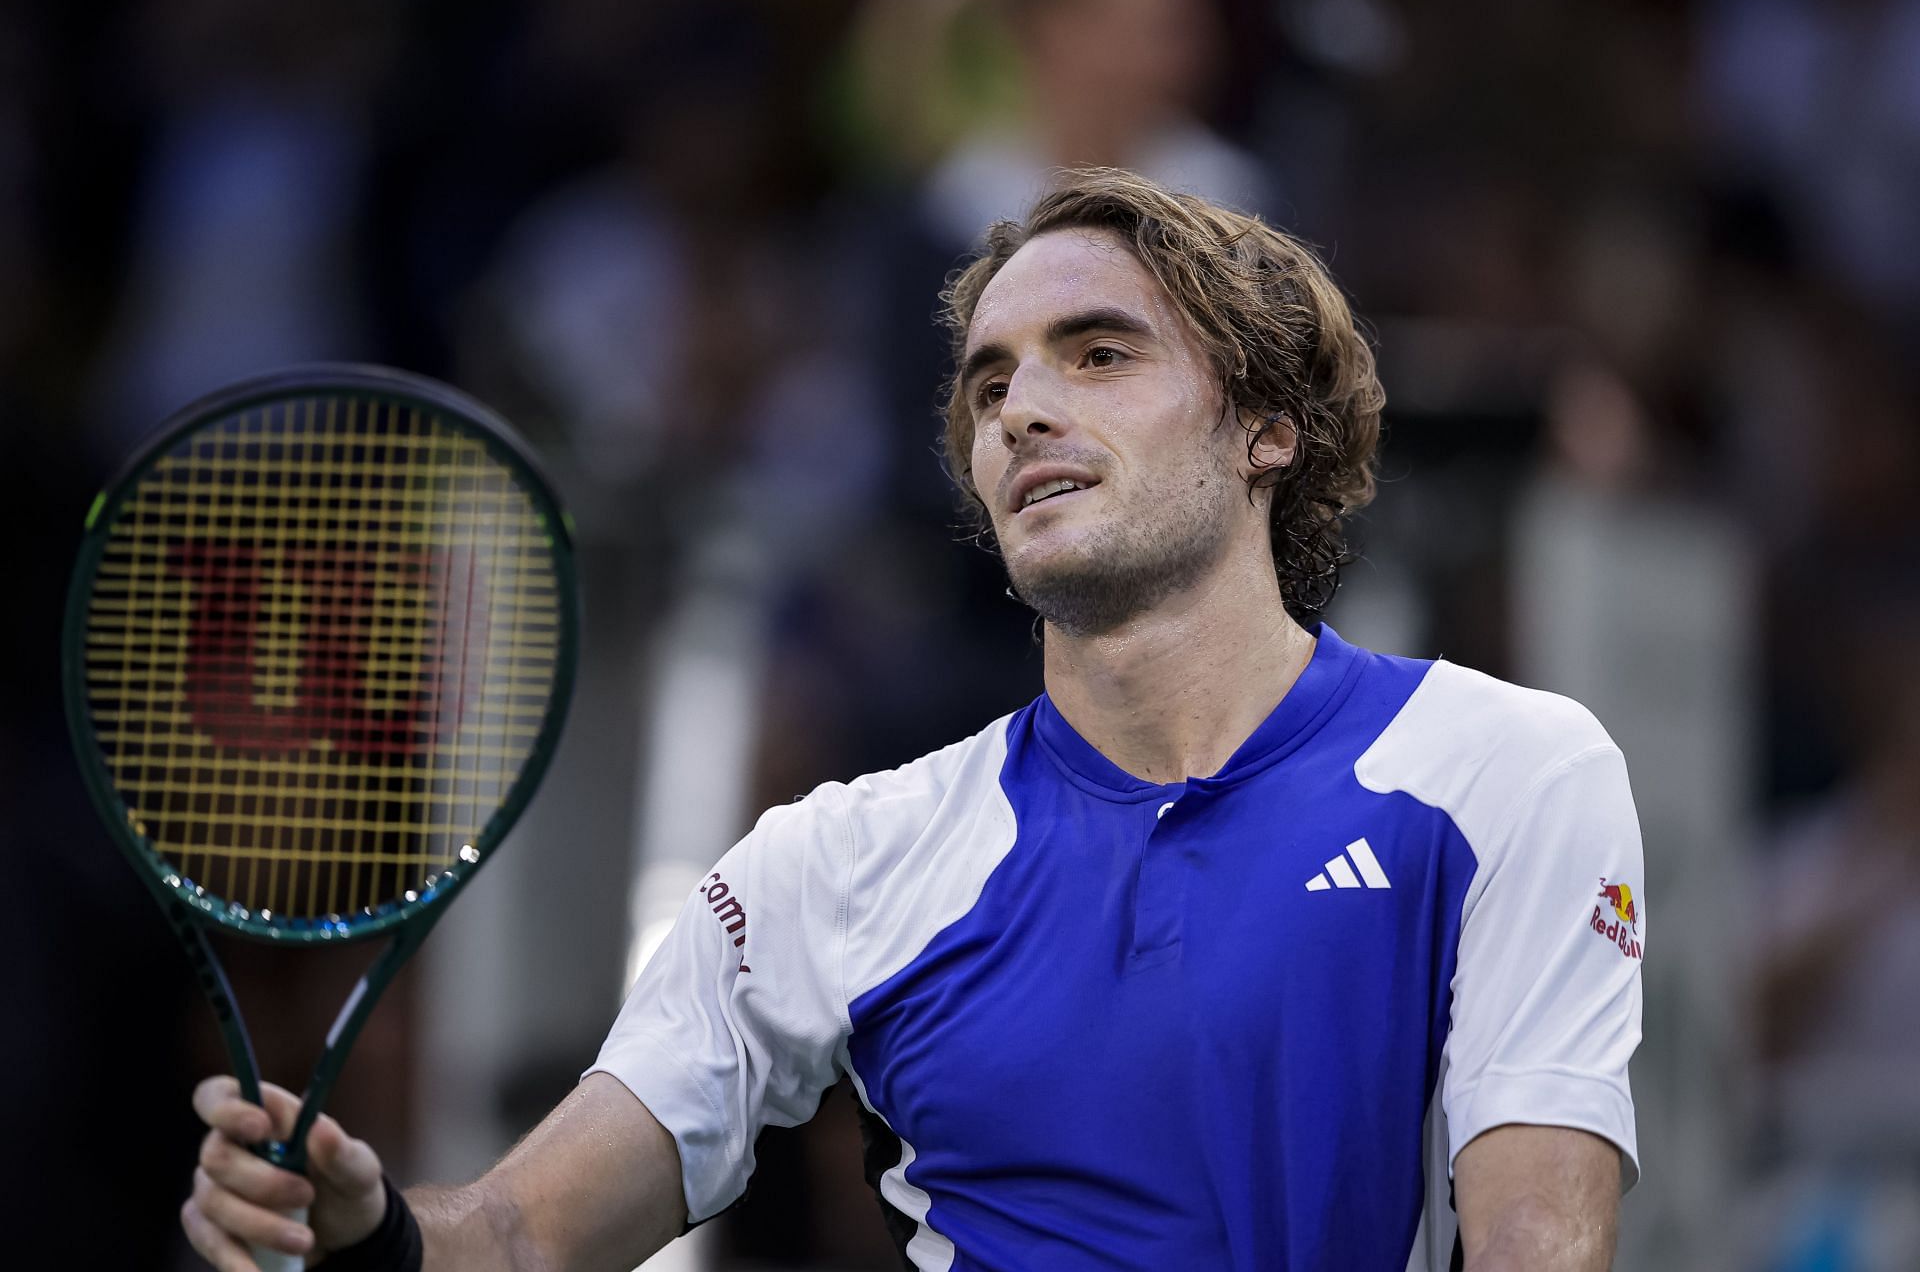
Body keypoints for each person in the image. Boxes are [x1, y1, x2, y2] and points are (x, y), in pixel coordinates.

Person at [182, 169, 1645, 1271]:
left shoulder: (1504, 771)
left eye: (1100, 353)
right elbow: (512, 1233)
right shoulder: (832, 863)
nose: (1018, 410)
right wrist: (365, 1230)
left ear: (1268, 430)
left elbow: (1541, 1242)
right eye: (988, 383)